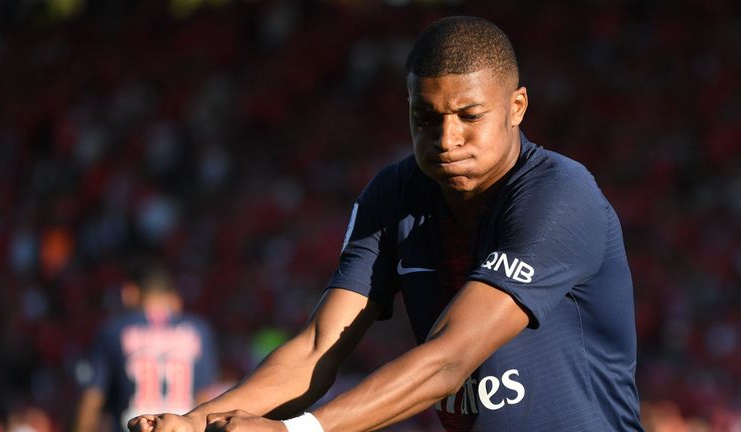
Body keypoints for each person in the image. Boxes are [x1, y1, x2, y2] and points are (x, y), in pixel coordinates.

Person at [128, 16, 643, 432]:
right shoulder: (394, 193)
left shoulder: (560, 195)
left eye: (469, 115)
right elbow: (316, 349)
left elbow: (450, 357)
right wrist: (196, 423)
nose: (446, 138)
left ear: (516, 107)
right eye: (426, 117)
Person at [74, 263, 218, 432]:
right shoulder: (198, 330)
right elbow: (204, 398)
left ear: (130, 293)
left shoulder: (114, 329)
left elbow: (90, 402)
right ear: (172, 295)